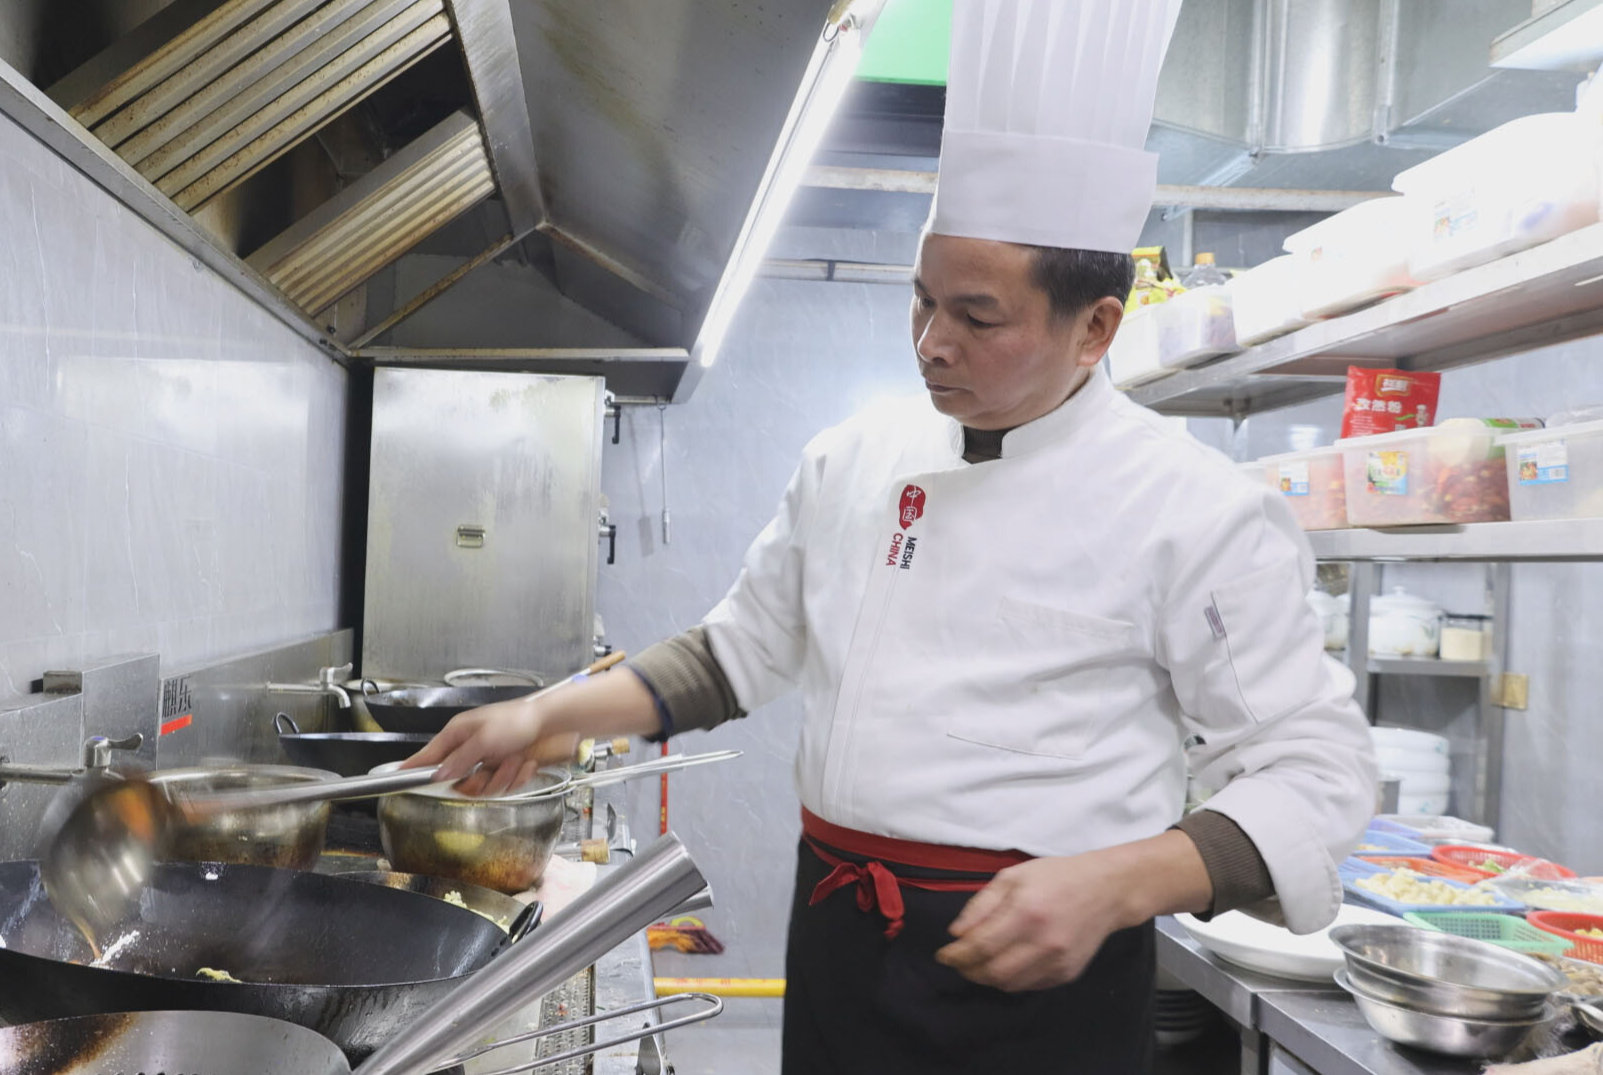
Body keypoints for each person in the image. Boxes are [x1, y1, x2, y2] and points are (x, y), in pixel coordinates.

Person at [407, 2, 1376, 1071]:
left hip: (1041, 985)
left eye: (977, 316)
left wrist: (1120, 881)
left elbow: (1318, 772)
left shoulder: (1194, 510)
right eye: (918, 301)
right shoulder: (855, 457)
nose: (931, 344)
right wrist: (544, 714)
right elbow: (738, 651)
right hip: (841, 950)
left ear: (1096, 326)